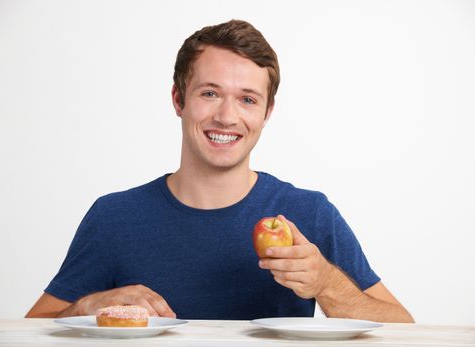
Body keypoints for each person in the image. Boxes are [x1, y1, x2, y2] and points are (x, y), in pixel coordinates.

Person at [26, 19, 413, 322]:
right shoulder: (113, 218)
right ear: (179, 99)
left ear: (266, 114)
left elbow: (402, 327)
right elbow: (31, 330)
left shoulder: (308, 213)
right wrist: (87, 306)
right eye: (209, 93)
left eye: (247, 99)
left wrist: (326, 283)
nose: (227, 117)